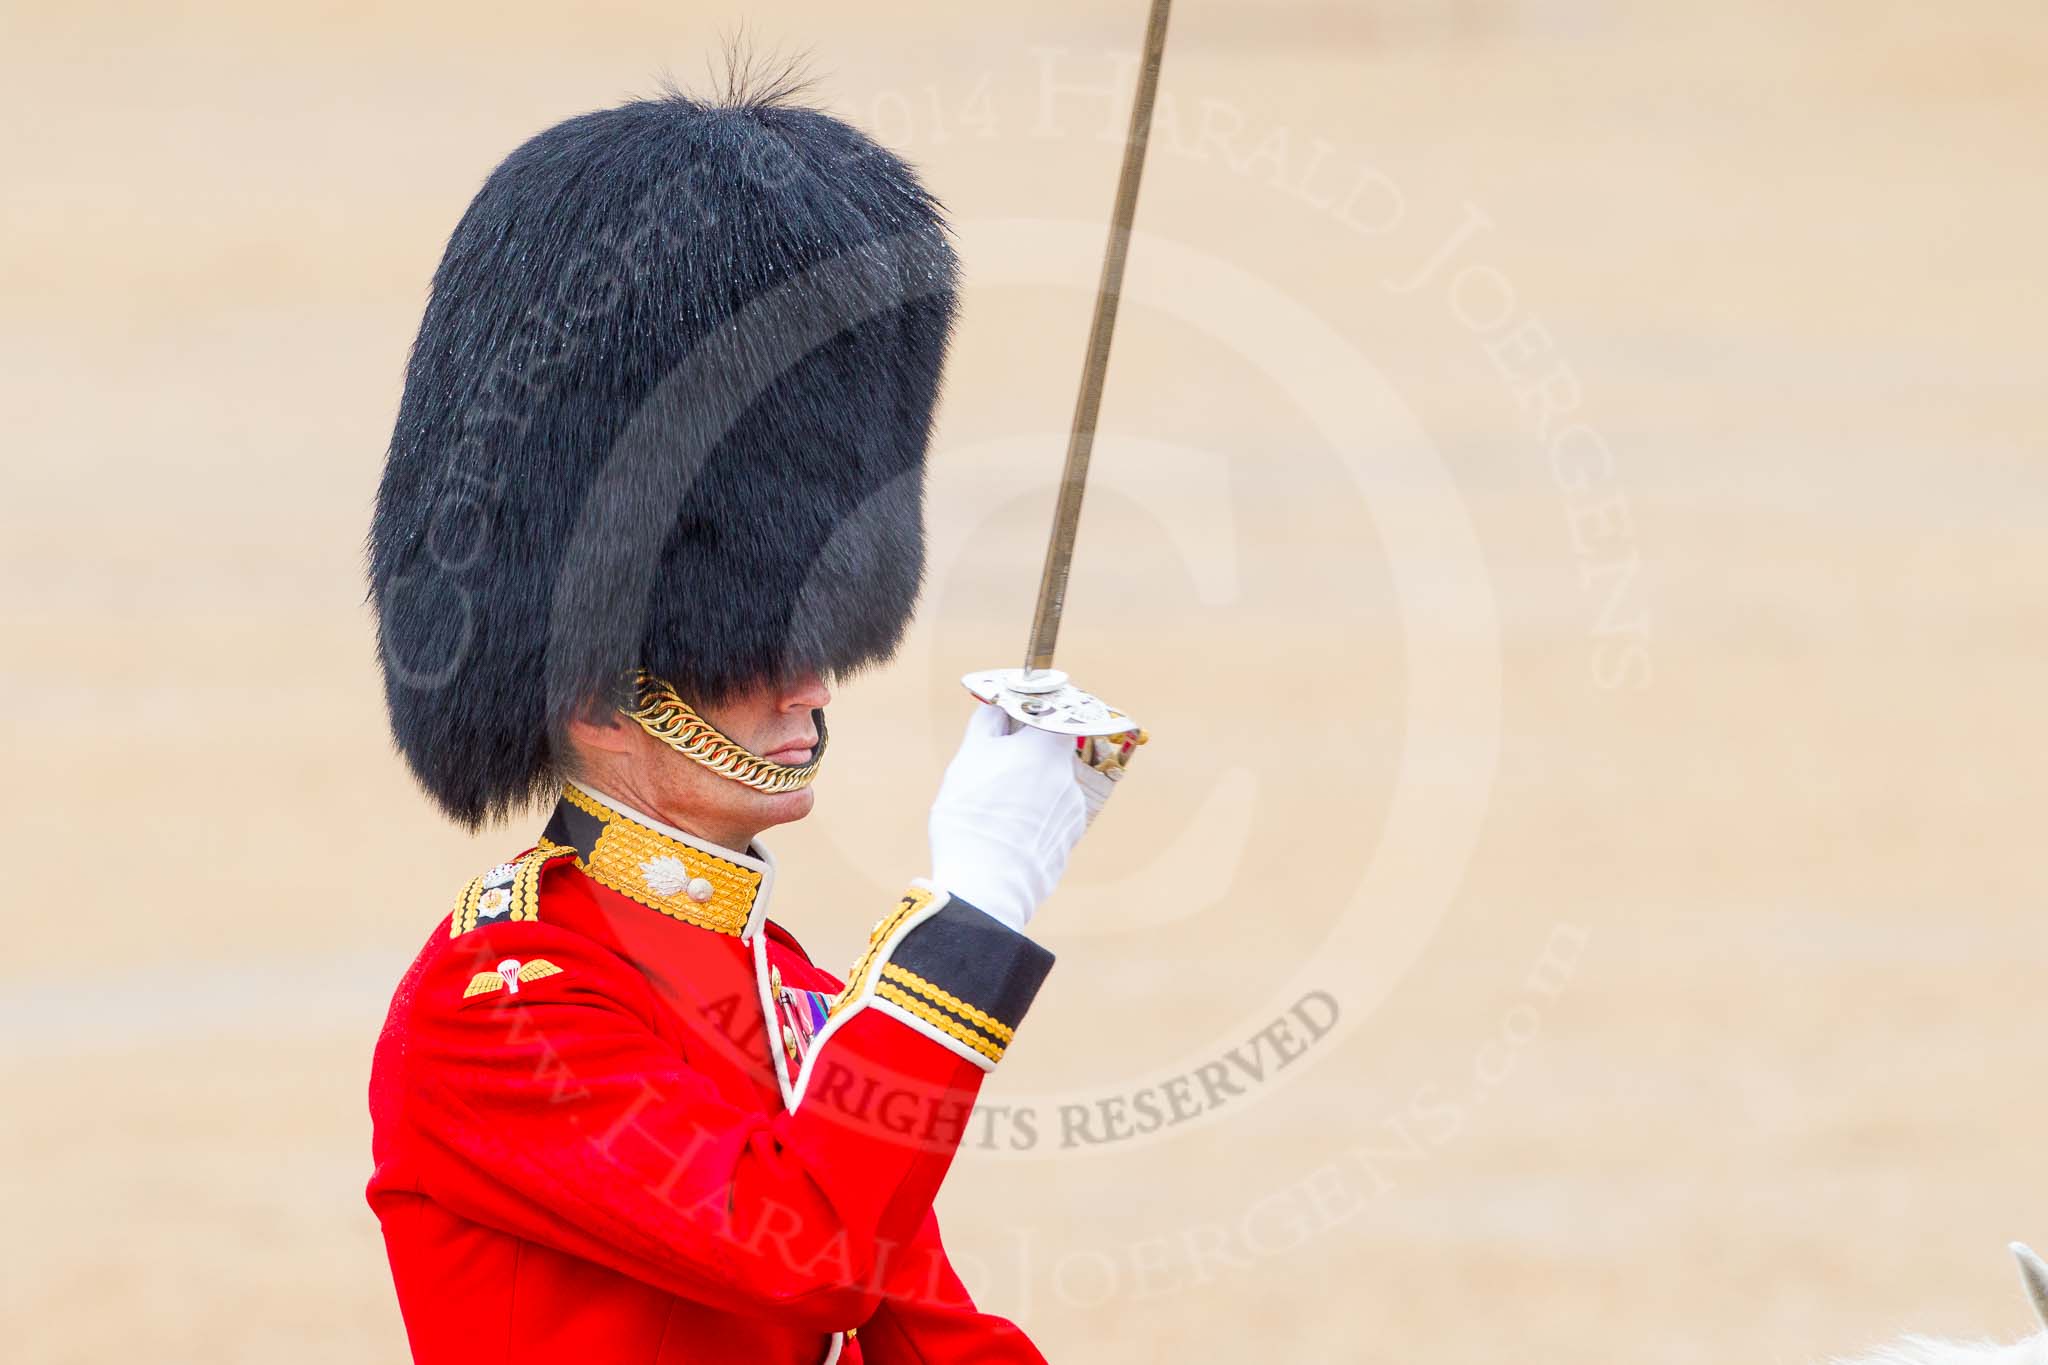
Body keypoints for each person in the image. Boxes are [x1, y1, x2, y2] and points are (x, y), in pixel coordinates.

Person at [363, 78, 1122, 1364]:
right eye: (755, 652)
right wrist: (974, 906)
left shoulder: (796, 997)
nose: (810, 682)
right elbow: (800, 1255)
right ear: (604, 695)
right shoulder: (502, 1005)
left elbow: (927, 1332)